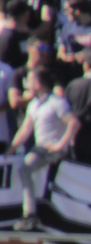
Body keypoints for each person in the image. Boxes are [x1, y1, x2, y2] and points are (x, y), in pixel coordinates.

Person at [9, 67, 80, 231]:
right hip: (40, 149)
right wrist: (11, 149)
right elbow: (25, 129)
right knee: (23, 168)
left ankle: (30, 214)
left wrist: (61, 145)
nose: (26, 83)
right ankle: (30, 214)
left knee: (24, 169)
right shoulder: (34, 104)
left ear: (39, 83)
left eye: (30, 80)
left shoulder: (57, 102)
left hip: (52, 149)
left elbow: (74, 123)